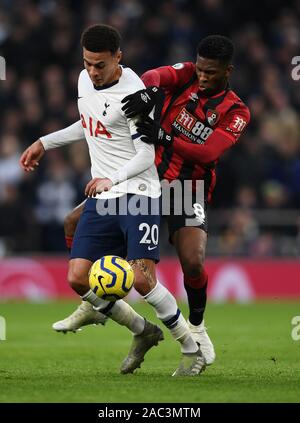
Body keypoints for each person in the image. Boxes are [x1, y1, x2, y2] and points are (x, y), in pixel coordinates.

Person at [51, 35, 250, 367]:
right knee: (73, 221)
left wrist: (164, 136)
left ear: (227, 71)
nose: (202, 77)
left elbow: (209, 151)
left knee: (193, 261)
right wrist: (150, 92)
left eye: (211, 73)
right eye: (200, 69)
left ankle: (198, 328)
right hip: (146, 179)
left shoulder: (236, 110)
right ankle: (94, 301)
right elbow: (153, 77)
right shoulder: (185, 73)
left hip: (187, 186)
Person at [20, 24, 205, 377]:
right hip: (104, 197)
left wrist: (111, 178)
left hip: (138, 194)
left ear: (118, 58)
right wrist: (45, 141)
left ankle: (190, 347)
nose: (92, 71)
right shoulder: (82, 80)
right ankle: (142, 331)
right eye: (87, 63)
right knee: (78, 278)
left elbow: (145, 156)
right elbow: (89, 124)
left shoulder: (135, 95)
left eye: (100, 65)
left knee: (141, 280)